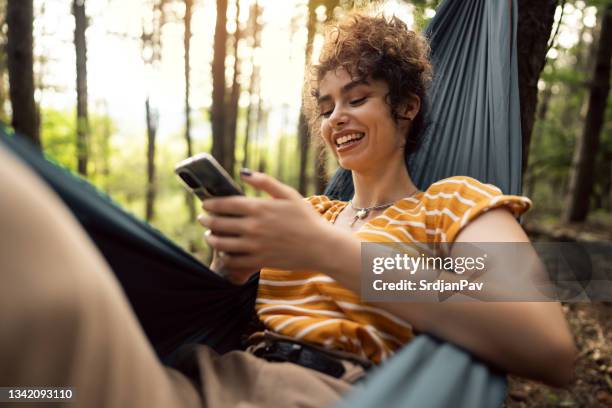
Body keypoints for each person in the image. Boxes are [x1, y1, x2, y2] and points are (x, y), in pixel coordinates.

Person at [0, 12, 574, 408]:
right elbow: (221, 315)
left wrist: (324, 251)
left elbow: (546, 345)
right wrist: (229, 271)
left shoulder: (452, 205)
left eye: (357, 98)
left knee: (16, 201)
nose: (335, 119)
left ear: (405, 107)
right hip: (201, 380)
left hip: (330, 394)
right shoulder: (311, 211)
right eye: (325, 107)